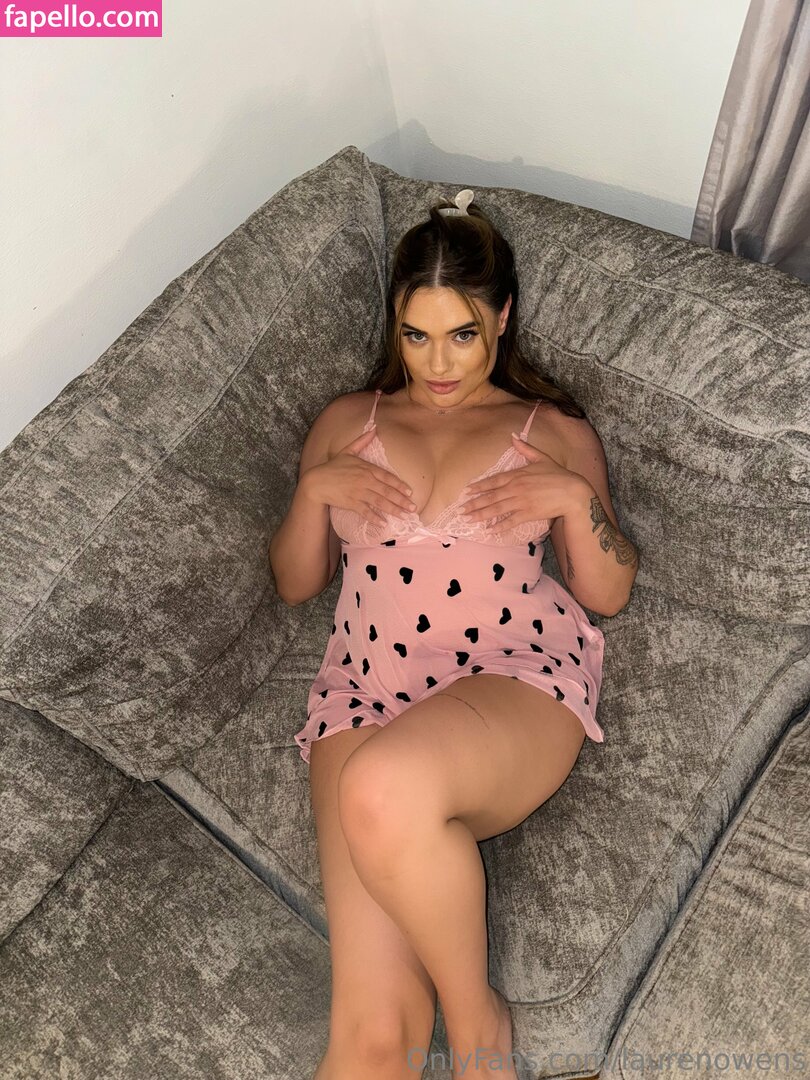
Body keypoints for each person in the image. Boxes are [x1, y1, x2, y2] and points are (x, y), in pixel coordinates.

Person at [268, 189, 639, 1080]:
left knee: (380, 787)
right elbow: (296, 583)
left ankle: (479, 1028)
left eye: (463, 335)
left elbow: (610, 590)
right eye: (416, 335)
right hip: (365, 687)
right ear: (394, 327)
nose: (438, 364)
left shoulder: (550, 432)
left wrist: (574, 499)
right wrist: (313, 494)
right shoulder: (345, 424)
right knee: (369, 1037)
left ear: (502, 320)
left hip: (512, 682)